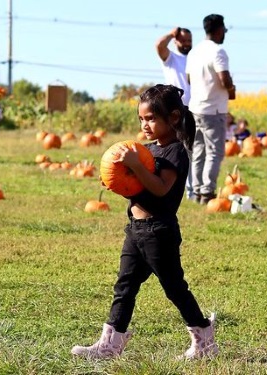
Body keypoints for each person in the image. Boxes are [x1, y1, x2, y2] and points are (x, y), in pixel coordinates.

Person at [71, 84, 218, 360]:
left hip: (159, 233)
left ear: (173, 118)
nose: (145, 124)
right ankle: (109, 345)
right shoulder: (147, 151)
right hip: (136, 231)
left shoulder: (175, 152)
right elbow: (136, 186)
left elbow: (160, 188)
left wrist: (136, 166)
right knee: (124, 286)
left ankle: (204, 339)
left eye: (151, 118)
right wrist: (115, 179)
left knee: (174, 288)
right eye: (141, 119)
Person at [186, 14, 236, 204]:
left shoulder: (194, 52)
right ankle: (207, 191)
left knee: (199, 150)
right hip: (213, 109)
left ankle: (197, 191)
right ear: (219, 30)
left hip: (195, 108)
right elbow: (224, 79)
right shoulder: (218, 51)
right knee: (215, 152)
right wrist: (231, 88)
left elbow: (189, 79)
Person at [156, 26, 194, 200]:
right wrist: (172, 34)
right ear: (176, 41)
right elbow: (159, 46)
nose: (187, 44)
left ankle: (191, 189)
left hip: (194, 110)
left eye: (189, 41)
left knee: (193, 150)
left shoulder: (195, 59)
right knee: (177, 149)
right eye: (183, 40)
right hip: (174, 111)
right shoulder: (171, 58)